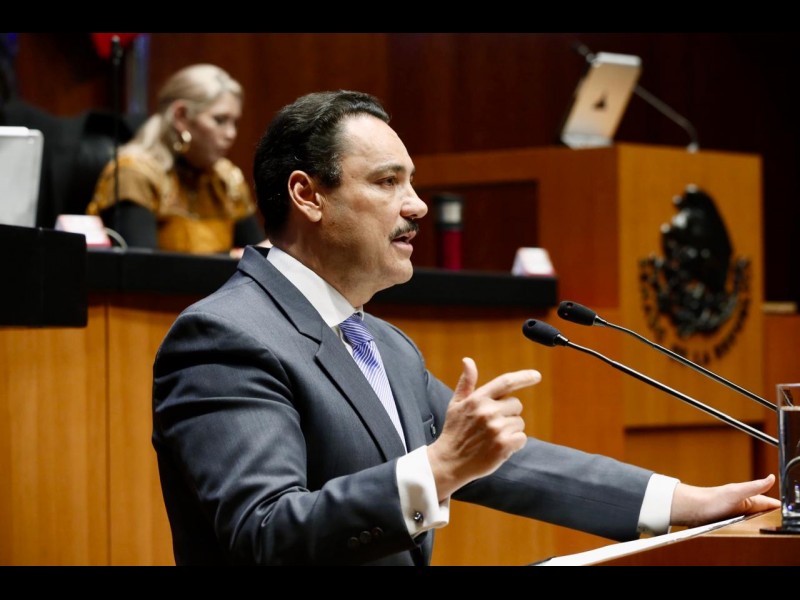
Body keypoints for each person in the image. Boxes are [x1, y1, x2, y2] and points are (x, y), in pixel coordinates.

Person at [151, 89, 779, 566]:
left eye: (412, 181)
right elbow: (262, 534)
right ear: (307, 195)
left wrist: (688, 502)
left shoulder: (383, 344)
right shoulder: (226, 337)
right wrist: (439, 467)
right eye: (388, 182)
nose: (418, 204)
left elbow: (508, 465)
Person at [86, 63, 267, 256]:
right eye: (220, 120)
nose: (231, 134)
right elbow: (141, 267)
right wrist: (235, 259)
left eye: (235, 123)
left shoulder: (226, 178)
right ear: (181, 117)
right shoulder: (134, 173)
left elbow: (257, 253)